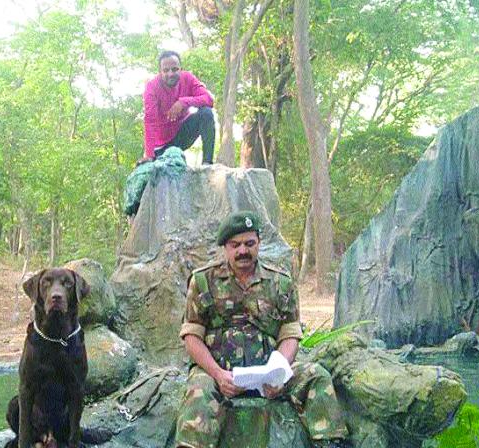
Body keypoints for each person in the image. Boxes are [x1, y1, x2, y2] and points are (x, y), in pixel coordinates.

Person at [175, 211, 351, 448]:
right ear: (225, 247)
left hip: (269, 371)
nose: (242, 251)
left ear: (259, 242)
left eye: (249, 243)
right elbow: (191, 337)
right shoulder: (203, 281)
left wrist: (278, 371)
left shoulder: (280, 282)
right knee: (198, 391)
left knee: (316, 375)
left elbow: (290, 335)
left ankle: (331, 443)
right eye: (235, 245)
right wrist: (217, 374)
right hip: (218, 373)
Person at [142, 50, 215, 165]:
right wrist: (149, 155)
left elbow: (209, 99)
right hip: (161, 145)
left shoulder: (188, 78)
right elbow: (150, 121)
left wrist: (184, 102)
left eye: (175, 69)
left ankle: (207, 164)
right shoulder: (152, 87)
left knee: (206, 113)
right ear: (160, 72)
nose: (171, 74)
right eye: (166, 70)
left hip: (181, 134)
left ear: (181, 69)